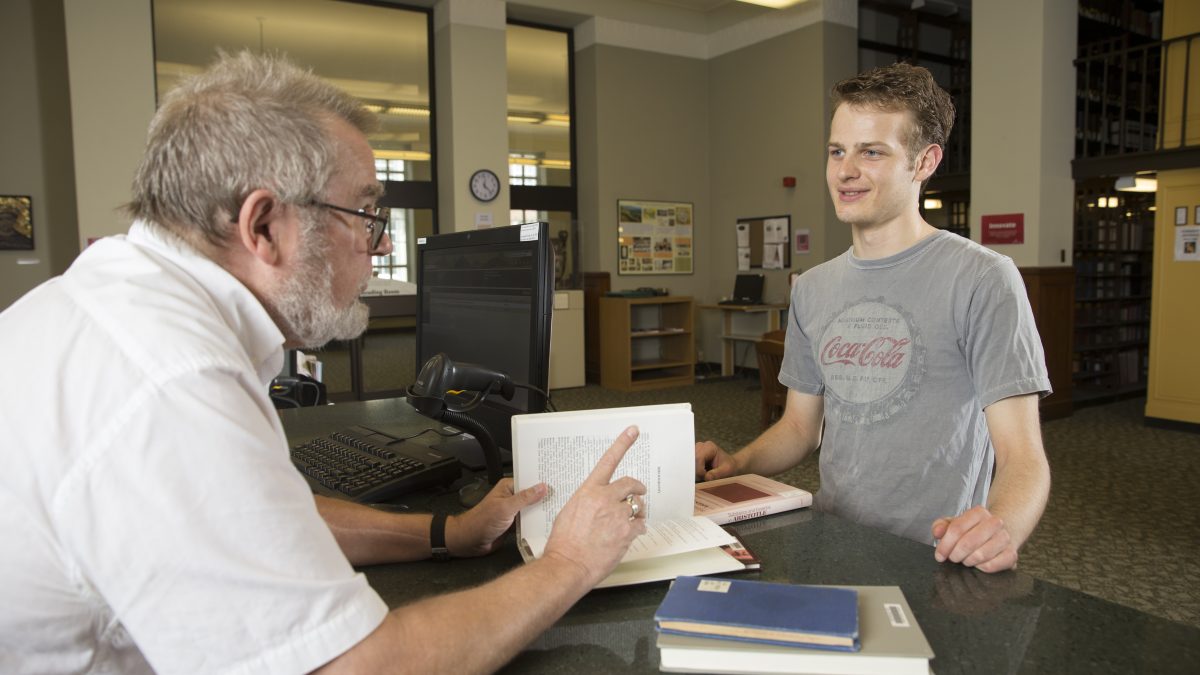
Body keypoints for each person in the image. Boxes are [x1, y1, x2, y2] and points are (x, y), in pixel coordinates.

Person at [0, 51, 649, 674]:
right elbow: (351, 667)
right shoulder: (172, 381)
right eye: (364, 213)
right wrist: (569, 562)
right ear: (264, 226)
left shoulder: (118, 298)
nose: (381, 243)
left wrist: (449, 532)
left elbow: (267, 519)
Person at [696, 63, 1052, 574]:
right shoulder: (813, 288)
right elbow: (799, 427)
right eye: (837, 151)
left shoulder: (983, 278)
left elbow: (1023, 457)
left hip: (934, 555)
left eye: (871, 152)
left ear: (925, 161)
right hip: (833, 539)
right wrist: (739, 463)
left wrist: (1001, 527)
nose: (845, 171)